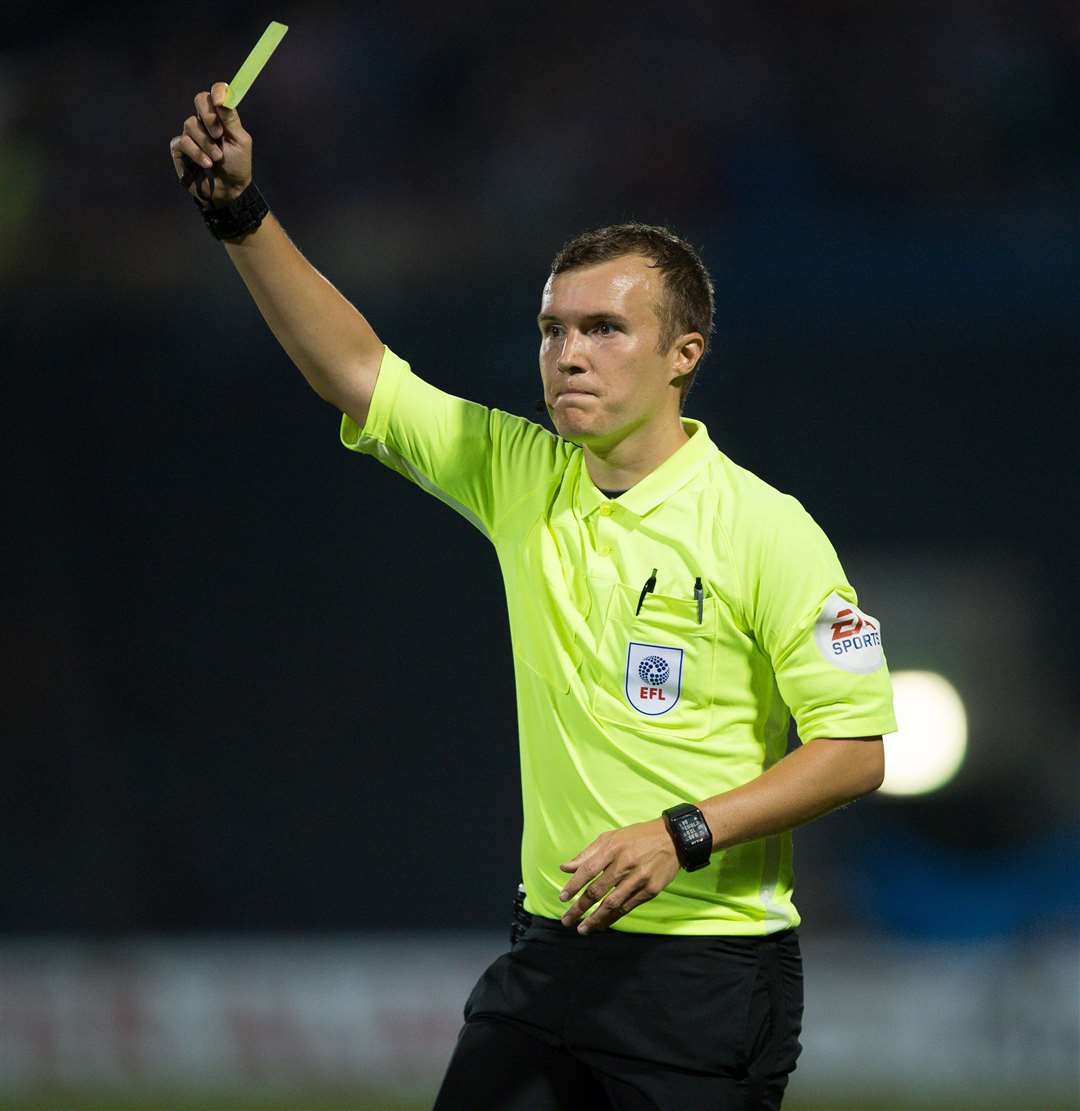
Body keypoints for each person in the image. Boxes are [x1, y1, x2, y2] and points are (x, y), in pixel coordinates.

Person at [170, 82, 897, 1110]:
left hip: (710, 978)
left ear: (684, 355)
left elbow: (855, 750)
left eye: (604, 328)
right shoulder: (523, 475)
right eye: (553, 329)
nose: (567, 353)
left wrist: (680, 831)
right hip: (552, 960)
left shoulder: (764, 527)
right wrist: (237, 214)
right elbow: (353, 368)